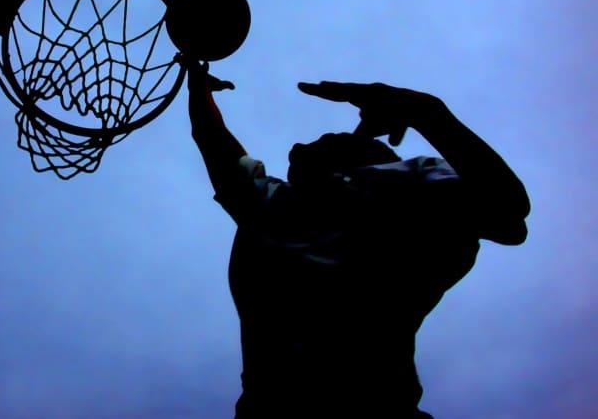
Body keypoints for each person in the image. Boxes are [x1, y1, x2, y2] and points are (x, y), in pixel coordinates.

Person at [185, 59, 530, 418]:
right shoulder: (272, 204)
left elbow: (507, 217)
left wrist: (424, 111)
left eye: (322, 141)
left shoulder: (409, 194)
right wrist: (198, 90)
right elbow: (212, 139)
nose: (297, 146)